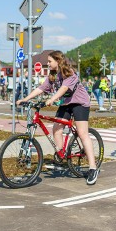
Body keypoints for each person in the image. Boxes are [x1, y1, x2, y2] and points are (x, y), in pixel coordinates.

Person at [17, 50, 100, 185]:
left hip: (80, 103)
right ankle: (61, 154)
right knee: (56, 128)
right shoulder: (52, 76)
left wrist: (52, 99)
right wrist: (24, 99)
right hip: (66, 104)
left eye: (50, 61)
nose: (48, 63)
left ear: (58, 61)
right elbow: (41, 88)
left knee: (82, 133)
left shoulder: (69, 73)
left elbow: (64, 88)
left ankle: (92, 167)